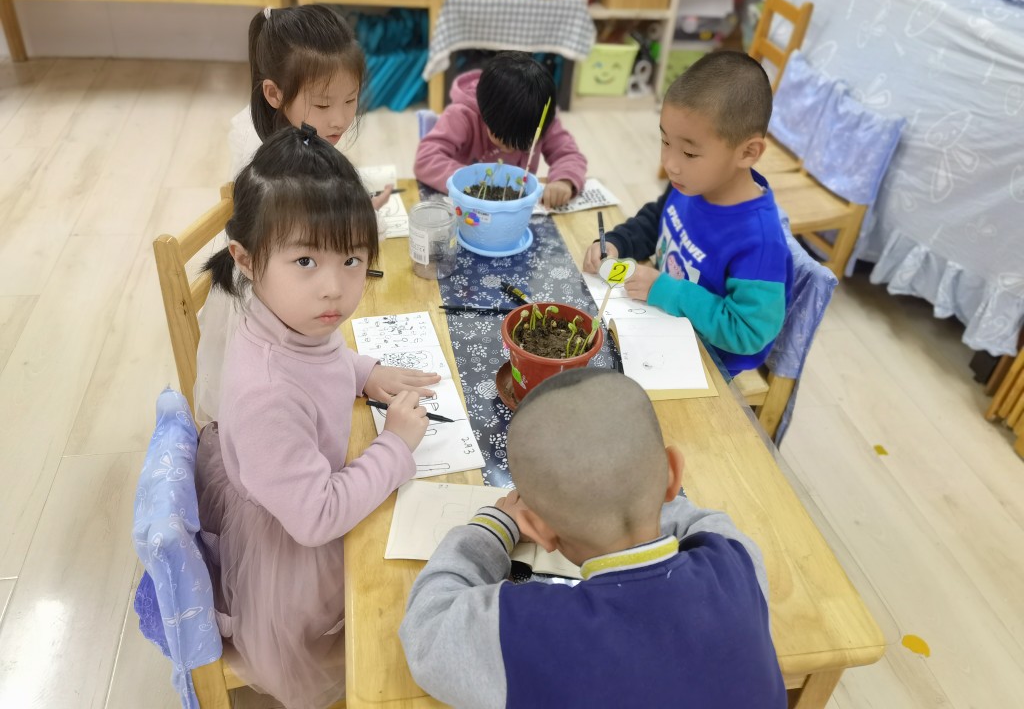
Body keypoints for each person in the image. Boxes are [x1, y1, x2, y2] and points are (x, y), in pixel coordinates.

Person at [196, 126, 440, 709]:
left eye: (352, 259)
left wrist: (365, 372)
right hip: (295, 547)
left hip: (291, 486)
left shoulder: (288, 315)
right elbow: (317, 517)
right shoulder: (267, 394)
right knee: (410, 588)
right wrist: (394, 447)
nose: (334, 288)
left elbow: (317, 360)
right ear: (245, 259)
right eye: (305, 260)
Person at [399, 368, 786, 708]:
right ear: (673, 473)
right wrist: (640, 492)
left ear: (538, 528)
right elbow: (708, 523)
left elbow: (428, 628)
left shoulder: (525, 633)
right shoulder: (738, 565)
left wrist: (496, 525)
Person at [198, 4, 392, 425]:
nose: (339, 119)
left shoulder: (295, 137)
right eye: (322, 105)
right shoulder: (269, 164)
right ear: (274, 94)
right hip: (266, 306)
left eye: (351, 100)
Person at [583, 51, 793, 376]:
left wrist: (668, 291)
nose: (670, 163)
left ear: (748, 152)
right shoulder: (693, 184)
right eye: (665, 141)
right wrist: (617, 242)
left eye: (690, 152)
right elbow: (657, 219)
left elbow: (747, 332)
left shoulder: (759, 243)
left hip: (704, 361)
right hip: (657, 319)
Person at [414, 51, 587, 209]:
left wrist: (564, 181)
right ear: (485, 116)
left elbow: (569, 155)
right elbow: (426, 159)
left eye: (524, 144)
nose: (510, 149)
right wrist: (472, 180)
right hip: (468, 207)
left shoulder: (538, 118)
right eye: (503, 140)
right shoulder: (463, 115)